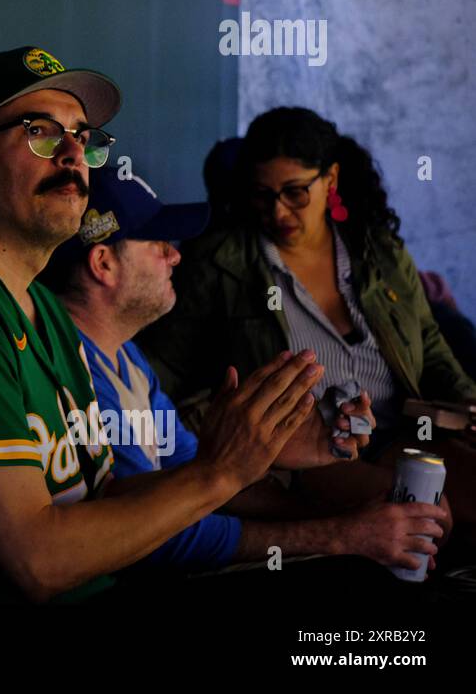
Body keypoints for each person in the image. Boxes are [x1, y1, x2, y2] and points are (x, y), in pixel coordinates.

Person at [0, 46, 325, 603]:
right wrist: (218, 474)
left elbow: (101, 496)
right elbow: (36, 561)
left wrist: (249, 455)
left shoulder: (43, 307)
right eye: (40, 132)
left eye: (82, 136)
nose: (74, 152)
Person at [42, 166, 448, 576]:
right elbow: (157, 535)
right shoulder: (79, 372)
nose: (175, 255)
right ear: (103, 263)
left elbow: (195, 473)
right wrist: (340, 535)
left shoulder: (126, 357)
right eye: (158, 243)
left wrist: (278, 462)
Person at [139, 106, 476, 542]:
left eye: (296, 193)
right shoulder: (221, 264)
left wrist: (465, 402)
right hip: (311, 452)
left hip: (399, 430)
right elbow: (165, 370)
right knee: (422, 513)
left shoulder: (378, 252)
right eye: (262, 195)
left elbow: (428, 344)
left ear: (330, 179)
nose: (278, 211)